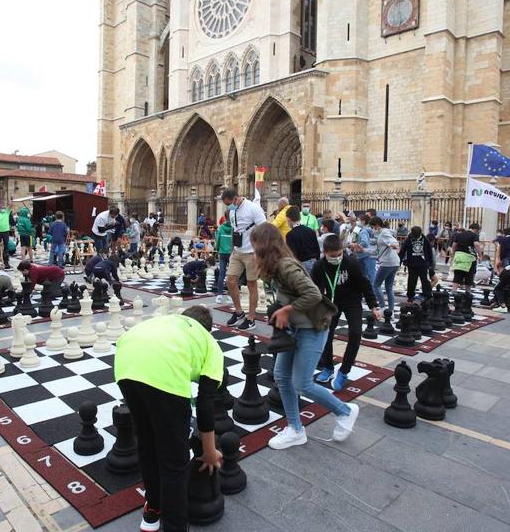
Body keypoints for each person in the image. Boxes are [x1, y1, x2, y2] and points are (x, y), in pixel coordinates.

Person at [248, 223, 358, 449]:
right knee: (281, 376)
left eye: (254, 244)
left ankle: (345, 411)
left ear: (264, 245)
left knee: (303, 383)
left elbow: (313, 294)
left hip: (313, 328)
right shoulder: (274, 267)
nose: (252, 249)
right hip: (295, 329)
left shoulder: (286, 266)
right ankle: (296, 429)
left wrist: (287, 310)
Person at [113, 306, 223, 532]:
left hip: (125, 362)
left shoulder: (168, 321)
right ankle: (175, 527)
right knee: (175, 462)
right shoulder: (209, 343)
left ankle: (152, 510)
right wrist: (209, 450)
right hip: (164, 373)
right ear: (208, 330)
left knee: (147, 443)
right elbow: (205, 404)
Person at [312, 234, 382, 390]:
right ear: (325, 252)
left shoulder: (351, 263)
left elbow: (365, 285)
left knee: (356, 333)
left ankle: (344, 371)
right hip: (330, 303)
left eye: (339, 254)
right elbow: (312, 288)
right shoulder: (318, 266)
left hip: (352, 302)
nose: (336, 258)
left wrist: (374, 306)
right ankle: (328, 367)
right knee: (326, 335)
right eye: (332, 255)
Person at [222, 188, 266, 330]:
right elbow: (235, 230)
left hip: (252, 252)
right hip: (237, 251)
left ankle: (251, 317)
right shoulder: (232, 211)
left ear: (236, 198)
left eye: (229, 203)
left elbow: (264, 229)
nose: (228, 207)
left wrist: (259, 251)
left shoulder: (253, 208)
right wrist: (231, 250)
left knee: (251, 284)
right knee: (230, 281)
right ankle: (239, 312)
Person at [372, 217, 400, 311]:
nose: (373, 228)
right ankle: (391, 310)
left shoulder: (384, 232)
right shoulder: (383, 232)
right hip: (394, 262)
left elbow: (393, 241)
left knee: (376, 285)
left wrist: (393, 244)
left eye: (373, 226)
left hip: (387, 262)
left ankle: (383, 307)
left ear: (376, 225)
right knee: (389, 287)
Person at [284, 206, 320, 274]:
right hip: (314, 263)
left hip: (302, 265)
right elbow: (317, 249)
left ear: (289, 219)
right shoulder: (310, 231)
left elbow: (293, 254)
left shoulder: (290, 235)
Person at [450, 222, 482, 294]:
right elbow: (476, 245)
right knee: (469, 275)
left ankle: (454, 290)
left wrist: (454, 253)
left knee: (457, 274)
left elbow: (454, 245)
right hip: (469, 258)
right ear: (476, 230)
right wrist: (480, 255)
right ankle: (468, 291)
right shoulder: (474, 235)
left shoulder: (459, 234)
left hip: (459, 256)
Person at [350, 214, 376, 282]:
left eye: (358, 220)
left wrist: (356, 246)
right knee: (368, 274)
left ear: (363, 221)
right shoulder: (369, 230)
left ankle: (373, 290)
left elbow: (364, 242)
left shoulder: (363, 231)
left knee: (369, 275)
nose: (357, 222)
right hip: (367, 254)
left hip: (364, 255)